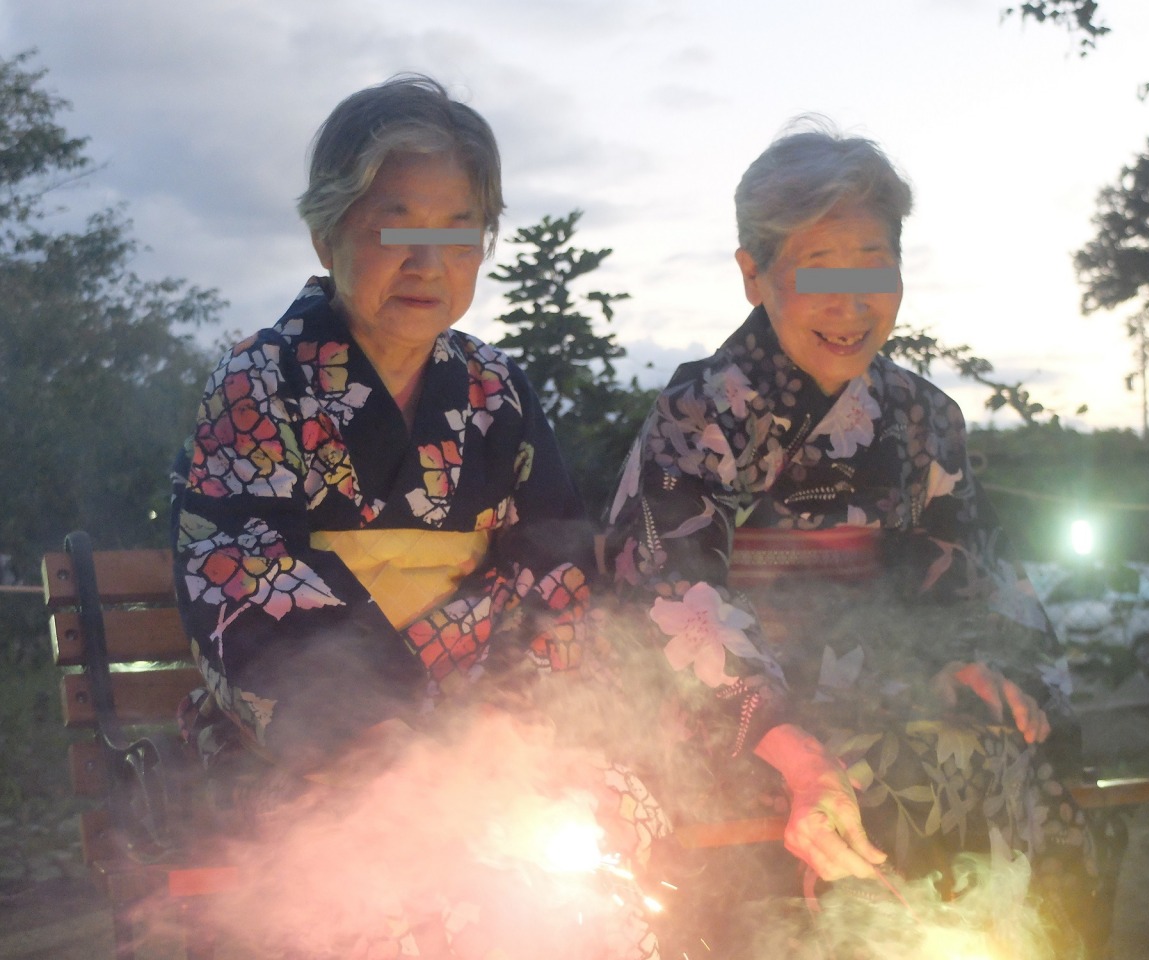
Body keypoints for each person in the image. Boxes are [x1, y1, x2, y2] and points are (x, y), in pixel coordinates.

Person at [171, 75, 656, 960]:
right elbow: (239, 575)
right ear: (326, 231)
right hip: (309, 735)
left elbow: (551, 565)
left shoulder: (494, 390)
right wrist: (386, 742)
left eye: (456, 233)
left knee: (600, 821)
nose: (427, 262)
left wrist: (508, 734)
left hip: (474, 722)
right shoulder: (259, 383)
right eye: (396, 225)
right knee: (385, 864)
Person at [602, 121, 1095, 956]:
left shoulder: (922, 418)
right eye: (818, 271)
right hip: (743, 726)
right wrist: (792, 749)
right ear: (753, 275)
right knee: (836, 790)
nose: (851, 304)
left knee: (1015, 752)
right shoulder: (701, 416)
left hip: (891, 699)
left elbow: (971, 572)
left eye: (874, 268)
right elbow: (669, 593)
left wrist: (975, 661)